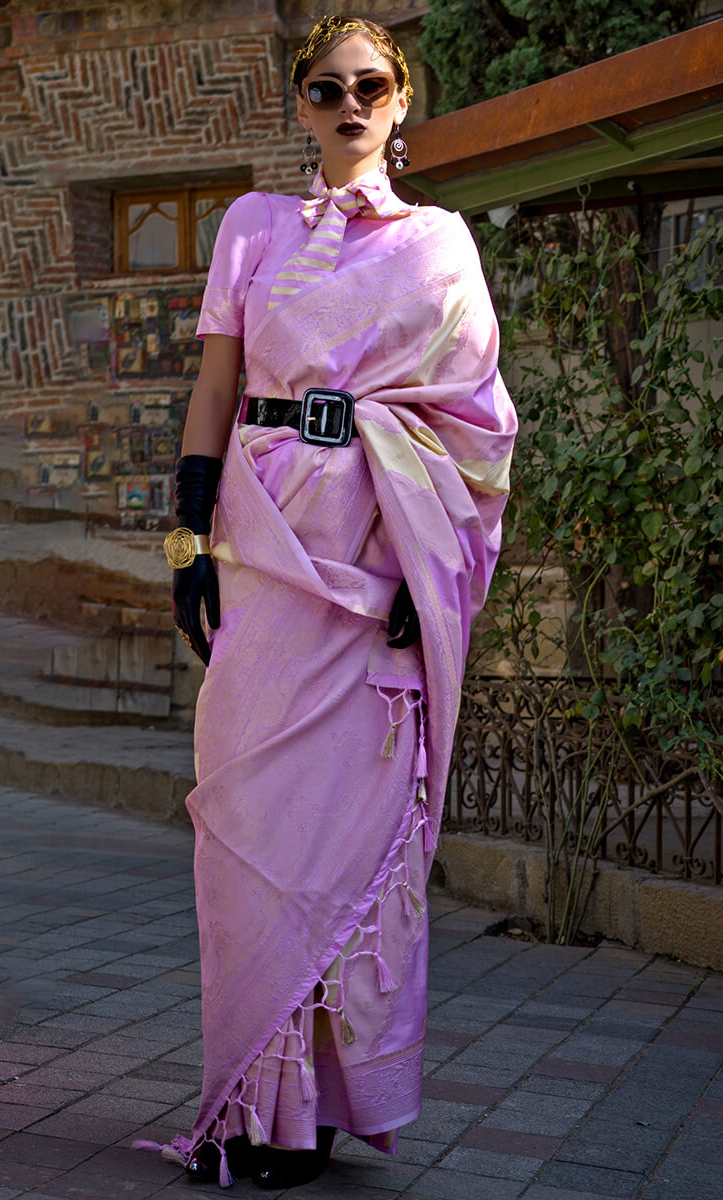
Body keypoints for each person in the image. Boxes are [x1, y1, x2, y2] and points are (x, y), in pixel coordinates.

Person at [141, 13, 517, 1191]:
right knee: (248, 831)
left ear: (401, 101)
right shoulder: (250, 230)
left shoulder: (443, 246)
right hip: (262, 554)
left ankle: (302, 1117)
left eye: (368, 85)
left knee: (350, 845)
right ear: (299, 105)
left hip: (373, 569)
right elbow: (212, 389)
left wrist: (423, 574)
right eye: (322, 89)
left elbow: (476, 431)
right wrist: (185, 542)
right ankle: (246, 1096)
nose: (346, 104)